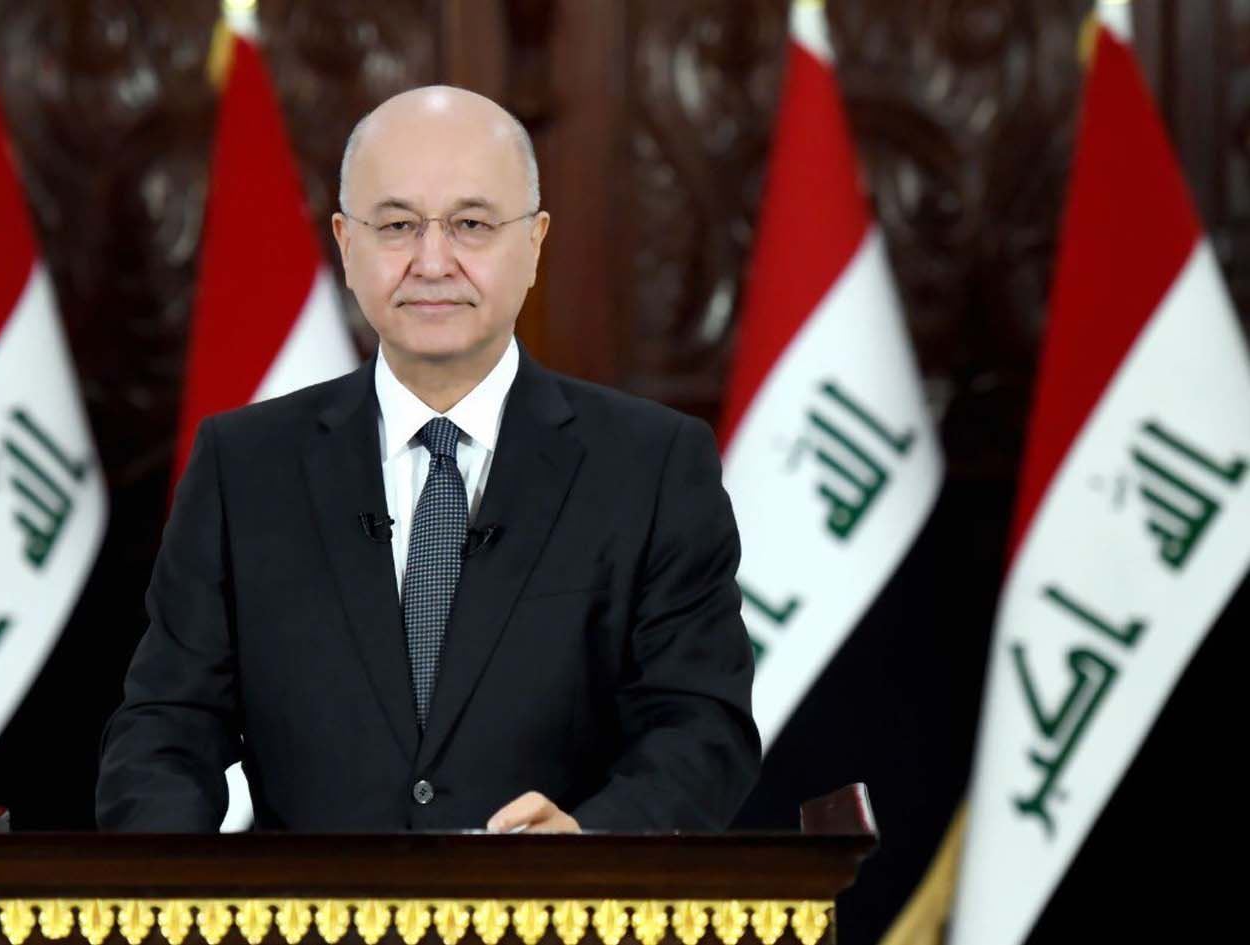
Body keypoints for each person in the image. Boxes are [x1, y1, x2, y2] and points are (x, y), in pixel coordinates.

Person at [96, 86, 760, 833]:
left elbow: (702, 729)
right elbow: (162, 735)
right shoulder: (243, 469)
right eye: (397, 225)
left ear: (534, 243)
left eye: (471, 224)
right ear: (346, 245)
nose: (433, 261)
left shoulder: (653, 467)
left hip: (554, 899)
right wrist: (175, 882)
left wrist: (588, 845)